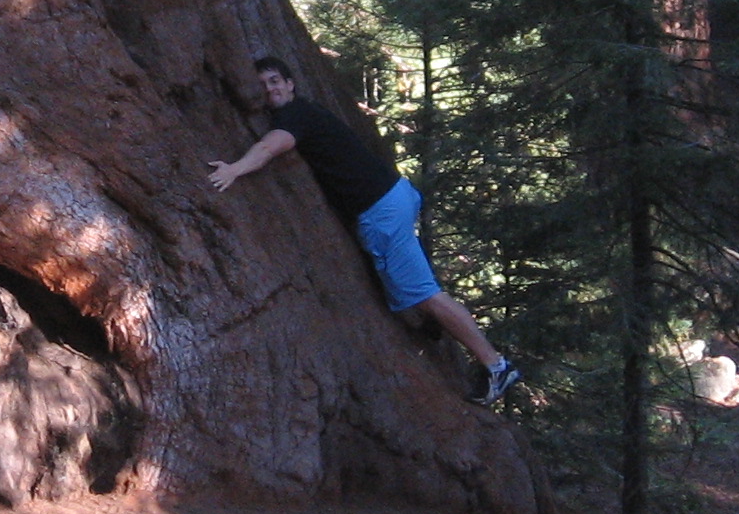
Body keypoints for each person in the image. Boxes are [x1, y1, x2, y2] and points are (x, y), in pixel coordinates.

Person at [209, 56, 521, 405]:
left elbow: (270, 146)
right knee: (409, 280)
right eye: (263, 84)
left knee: (426, 294)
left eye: (275, 80)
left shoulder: (295, 116)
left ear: (290, 82)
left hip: (381, 210)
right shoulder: (308, 110)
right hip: (393, 196)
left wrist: (234, 169)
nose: (270, 89)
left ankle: (496, 366)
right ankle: (432, 319)